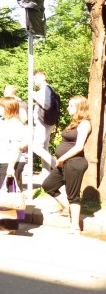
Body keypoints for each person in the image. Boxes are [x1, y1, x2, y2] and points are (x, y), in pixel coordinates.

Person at [41, 96, 91, 233]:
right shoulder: (74, 122)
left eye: (71, 106)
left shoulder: (85, 123)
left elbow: (79, 146)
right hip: (65, 162)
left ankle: (75, 226)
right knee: (48, 185)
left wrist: (62, 158)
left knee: (72, 195)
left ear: (79, 107)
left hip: (75, 162)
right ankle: (67, 209)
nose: (68, 108)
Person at [0, 97, 28, 233]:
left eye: (1, 106)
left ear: (8, 108)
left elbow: (16, 147)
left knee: (9, 193)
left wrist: (11, 166)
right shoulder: (2, 122)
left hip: (9, 161)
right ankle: (0, 222)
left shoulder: (16, 124)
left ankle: (10, 225)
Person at [32, 71, 58, 177]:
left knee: (36, 146)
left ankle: (57, 166)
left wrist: (34, 95)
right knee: (44, 147)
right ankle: (46, 174)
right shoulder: (45, 89)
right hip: (45, 121)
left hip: (45, 121)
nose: (34, 81)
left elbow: (46, 105)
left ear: (43, 78)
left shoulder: (46, 88)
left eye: (37, 78)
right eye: (34, 78)